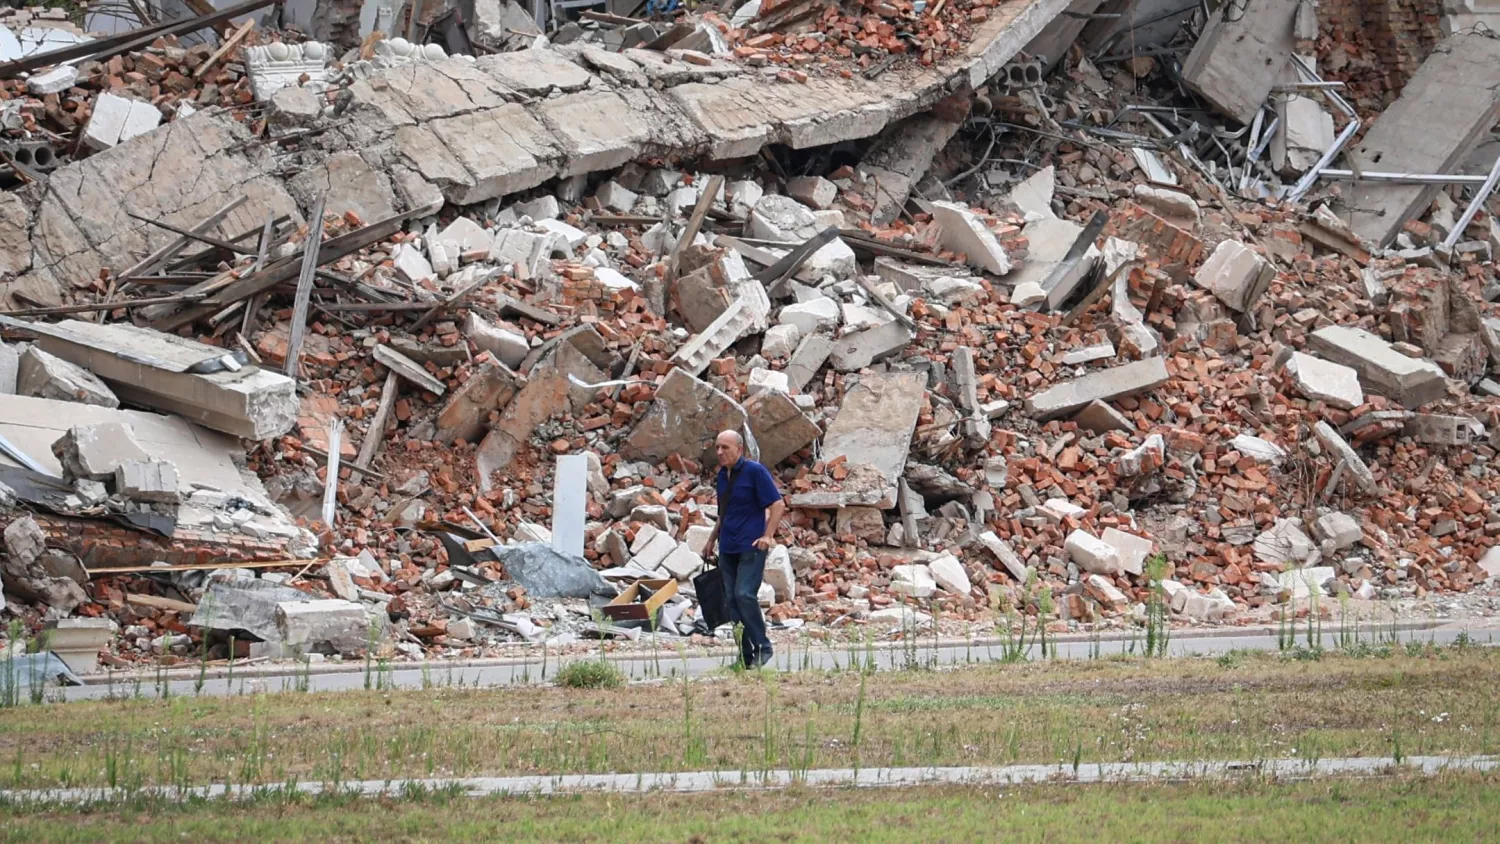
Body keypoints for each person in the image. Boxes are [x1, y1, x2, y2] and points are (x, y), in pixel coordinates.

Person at [704, 430, 785, 668]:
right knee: (731, 600)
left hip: (751, 545)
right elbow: (723, 512)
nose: (720, 452)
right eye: (717, 447)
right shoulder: (721, 476)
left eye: (725, 447)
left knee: (744, 595)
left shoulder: (755, 472)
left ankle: (763, 646)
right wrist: (711, 540)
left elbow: (778, 504)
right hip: (727, 547)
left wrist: (767, 536)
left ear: (739, 449)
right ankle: (744, 655)